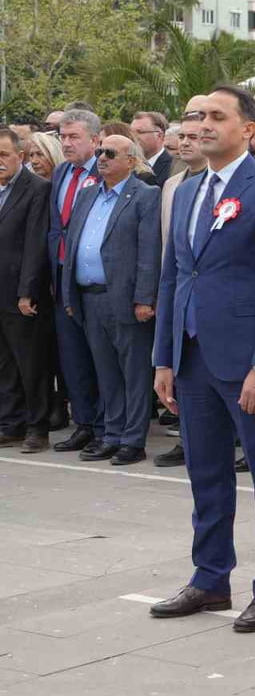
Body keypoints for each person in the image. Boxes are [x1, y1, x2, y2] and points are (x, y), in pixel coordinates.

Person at [148, 85, 255, 634]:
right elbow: (174, 276)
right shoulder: (187, 191)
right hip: (190, 356)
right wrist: (164, 356)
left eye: (217, 116)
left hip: (246, 362)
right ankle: (210, 578)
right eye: (197, 116)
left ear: (248, 128)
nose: (205, 125)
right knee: (206, 474)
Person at [60, 134, 161, 466]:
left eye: (110, 153)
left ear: (130, 161)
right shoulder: (88, 194)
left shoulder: (145, 195)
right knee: (106, 373)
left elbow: (149, 251)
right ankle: (112, 434)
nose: (101, 158)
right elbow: (73, 246)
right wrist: (69, 293)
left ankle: (133, 440)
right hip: (90, 298)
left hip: (126, 299)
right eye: (100, 152)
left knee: (133, 374)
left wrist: (145, 297)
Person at [153, 100, 211, 469]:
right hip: (179, 297)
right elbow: (168, 251)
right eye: (183, 137)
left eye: (195, 136)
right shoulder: (176, 186)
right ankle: (187, 440)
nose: (187, 143)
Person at [47, 109, 105, 456]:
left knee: (100, 360)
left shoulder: (108, 173)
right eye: (62, 137)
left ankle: (104, 427)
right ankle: (84, 423)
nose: (66, 144)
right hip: (64, 278)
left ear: (95, 140)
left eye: (74, 137)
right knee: (73, 359)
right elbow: (57, 226)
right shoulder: (60, 173)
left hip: (96, 283)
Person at [0, 128, 54, 454]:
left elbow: (36, 244)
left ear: (20, 156)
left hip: (22, 295)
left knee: (31, 364)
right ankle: (11, 423)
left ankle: (38, 427)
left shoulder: (37, 189)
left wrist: (26, 293)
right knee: (4, 364)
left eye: (4, 155)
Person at [131, 111, 175, 183]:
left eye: (140, 132)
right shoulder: (129, 166)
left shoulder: (172, 167)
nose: (133, 137)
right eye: (131, 133)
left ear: (159, 135)